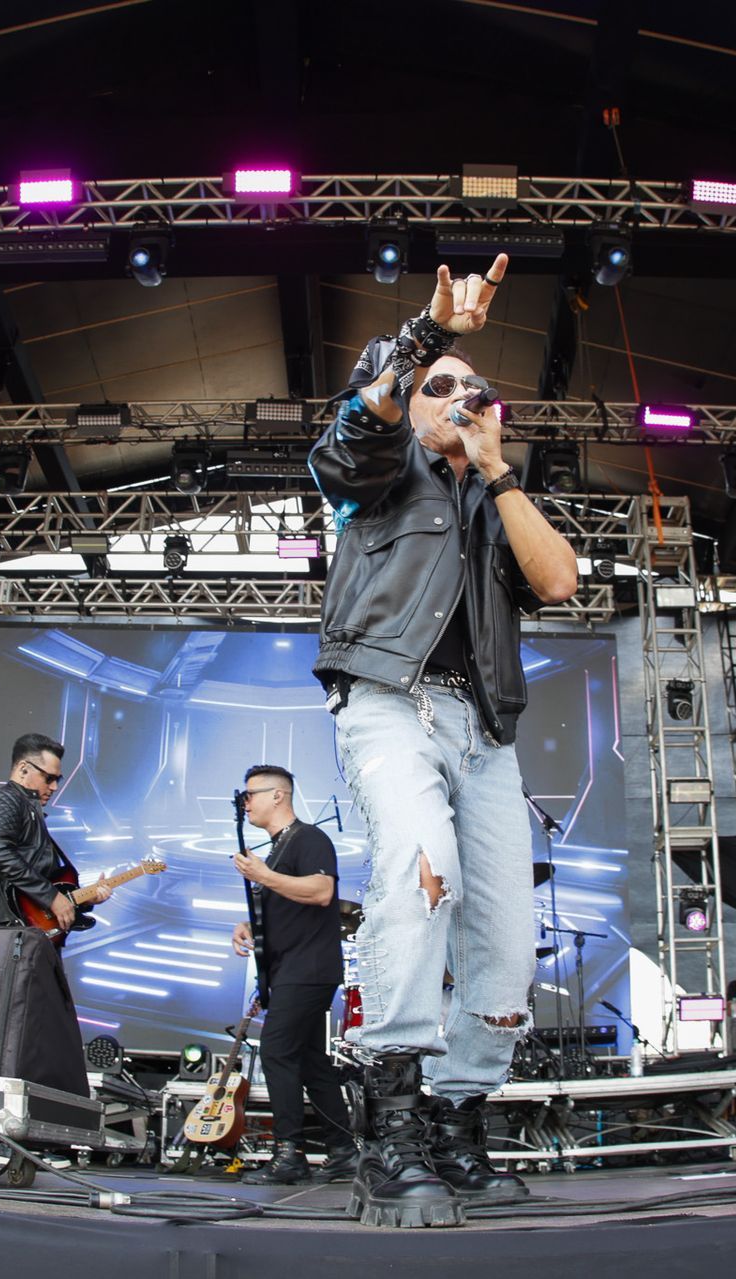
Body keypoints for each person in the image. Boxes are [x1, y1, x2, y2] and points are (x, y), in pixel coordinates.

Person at [309, 253, 579, 1227]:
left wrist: (501, 472)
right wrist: (430, 338)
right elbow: (353, 432)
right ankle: (387, 1128)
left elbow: (559, 582)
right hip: (390, 698)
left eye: (475, 387)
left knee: (507, 938)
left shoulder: (498, 495)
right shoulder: (375, 472)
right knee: (424, 872)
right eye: (442, 388)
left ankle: (457, 1117)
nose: (463, 396)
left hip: (486, 731)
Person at [229, 764, 357, 1186]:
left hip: (308, 968)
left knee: (277, 1051)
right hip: (290, 968)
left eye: (252, 794)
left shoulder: (310, 838)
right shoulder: (277, 849)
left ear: (278, 796)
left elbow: (322, 892)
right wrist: (250, 924)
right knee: (310, 1061)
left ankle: (290, 1154)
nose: (246, 803)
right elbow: (286, 902)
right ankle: (342, 1151)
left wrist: (264, 877)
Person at [0, 733, 108, 933]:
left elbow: (45, 880)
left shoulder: (31, 810)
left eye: (58, 779)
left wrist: (83, 898)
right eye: (49, 778)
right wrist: (51, 897)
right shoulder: (6, 800)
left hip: (32, 933)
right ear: (23, 769)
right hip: (13, 931)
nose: (54, 787)